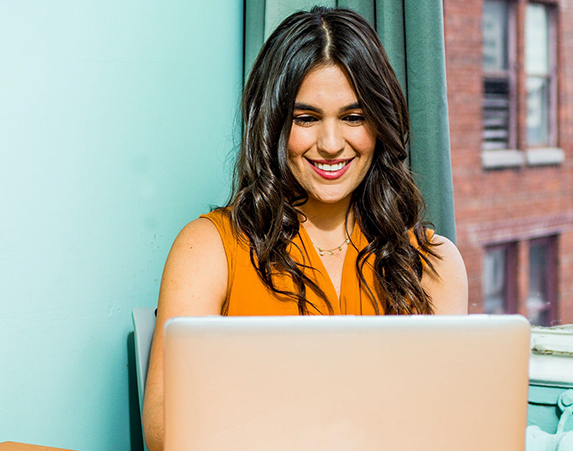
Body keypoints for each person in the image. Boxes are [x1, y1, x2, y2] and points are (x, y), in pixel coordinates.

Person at [141, 6, 467, 451]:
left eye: (353, 117)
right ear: (273, 125)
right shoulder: (208, 249)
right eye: (306, 118)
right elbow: (165, 434)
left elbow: (451, 429)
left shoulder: (435, 262)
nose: (331, 144)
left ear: (380, 123)